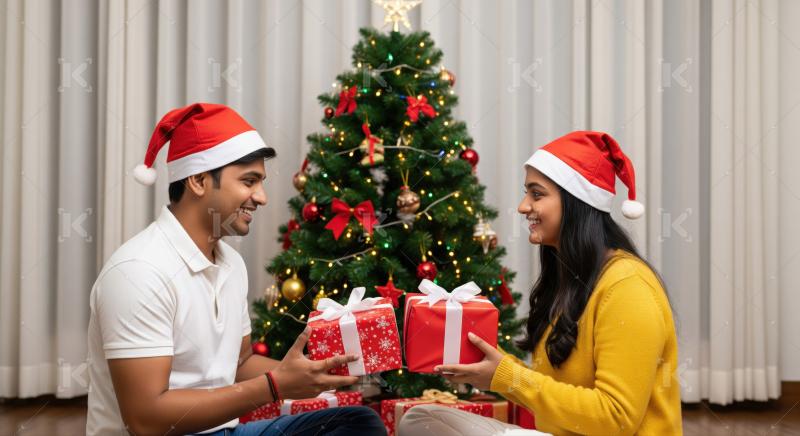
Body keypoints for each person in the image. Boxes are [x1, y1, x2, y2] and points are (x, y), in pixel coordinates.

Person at [86, 103, 386, 435]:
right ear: (198, 180)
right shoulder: (139, 272)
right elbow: (145, 419)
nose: (262, 197)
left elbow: (240, 363)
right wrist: (275, 386)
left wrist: (312, 375)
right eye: (249, 181)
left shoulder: (230, 262)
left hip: (223, 431)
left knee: (357, 423)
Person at [399, 131, 682, 435]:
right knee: (420, 419)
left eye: (537, 194)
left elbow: (616, 418)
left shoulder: (628, 287)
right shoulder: (574, 279)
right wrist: (492, 369)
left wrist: (510, 378)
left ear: (575, 202)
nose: (523, 206)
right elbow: (554, 393)